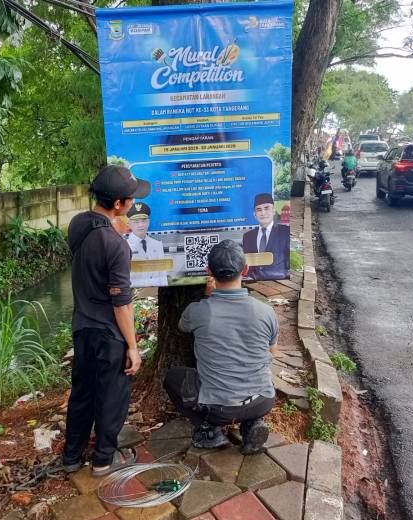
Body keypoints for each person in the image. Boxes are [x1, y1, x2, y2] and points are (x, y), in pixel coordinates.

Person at [62, 165, 151, 477]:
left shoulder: (78, 224)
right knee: (112, 396)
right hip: (110, 334)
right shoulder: (116, 245)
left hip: (82, 328)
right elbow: (121, 304)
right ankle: (102, 460)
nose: (133, 203)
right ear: (118, 204)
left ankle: (71, 456)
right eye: (130, 199)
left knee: (82, 393)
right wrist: (133, 347)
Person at [163, 240, 278, 455]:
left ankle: (210, 431)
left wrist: (208, 297)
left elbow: (182, 327)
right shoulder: (266, 312)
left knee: (172, 378)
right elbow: (272, 352)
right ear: (245, 269)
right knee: (260, 371)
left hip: (220, 410)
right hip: (263, 400)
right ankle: (253, 423)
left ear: (209, 271)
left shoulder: (198, 311)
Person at [241, 193, 289, 281]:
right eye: (259, 210)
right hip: (253, 284)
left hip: (278, 282)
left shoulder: (285, 232)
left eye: (266, 208)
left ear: (273, 211)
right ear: (254, 214)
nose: (263, 213)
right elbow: (247, 263)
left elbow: (289, 262)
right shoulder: (247, 236)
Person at [126, 202, 168, 287]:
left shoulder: (157, 244)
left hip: (155, 291)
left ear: (148, 222)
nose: (141, 225)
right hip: (134, 292)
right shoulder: (124, 246)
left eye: (143, 221)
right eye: (136, 222)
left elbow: (163, 274)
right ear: (129, 224)